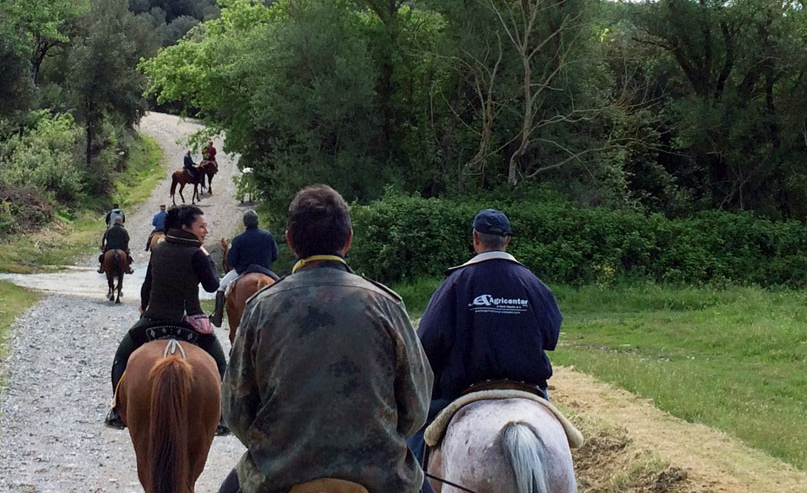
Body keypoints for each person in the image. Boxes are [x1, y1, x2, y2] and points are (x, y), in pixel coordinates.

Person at [218, 185, 434, 493]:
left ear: (291, 242)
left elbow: (236, 411)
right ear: (348, 239)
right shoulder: (387, 305)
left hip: (277, 476)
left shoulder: (260, 308)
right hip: (382, 477)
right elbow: (416, 406)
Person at [406, 208, 563, 464]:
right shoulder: (532, 282)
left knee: (413, 444)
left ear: (475, 238)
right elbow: (551, 335)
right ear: (507, 240)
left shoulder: (455, 283)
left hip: (462, 390)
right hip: (529, 389)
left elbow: (428, 343)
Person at [105, 205, 227, 432]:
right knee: (221, 363)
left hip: (154, 319)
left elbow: (147, 285)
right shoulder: (197, 255)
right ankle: (222, 415)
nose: (205, 231)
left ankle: (116, 409)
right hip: (190, 321)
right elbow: (212, 285)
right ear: (185, 227)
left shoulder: (159, 249)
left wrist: (144, 307)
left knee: (121, 356)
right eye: (201, 226)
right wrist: (208, 258)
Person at [210, 210, 279, 327]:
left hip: (243, 270)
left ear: (245, 223)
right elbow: (275, 255)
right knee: (282, 284)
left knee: (221, 287)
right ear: (257, 221)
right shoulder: (268, 235)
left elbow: (231, 260)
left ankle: (218, 317)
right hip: (265, 270)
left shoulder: (238, 239)